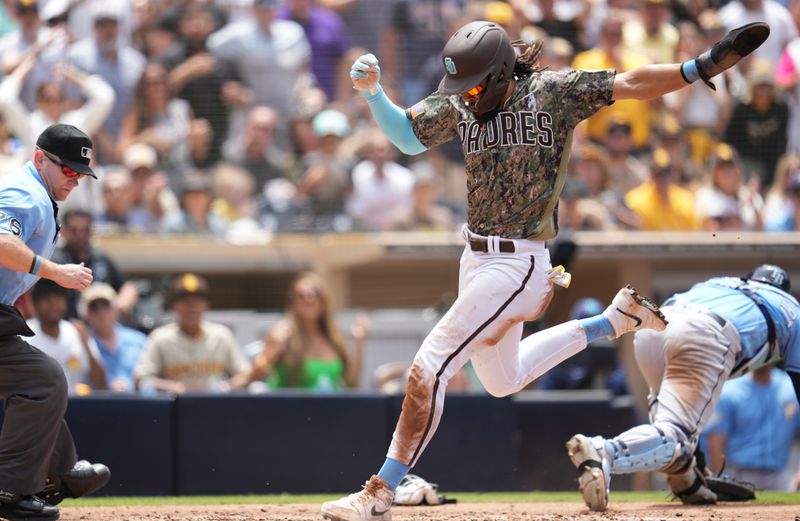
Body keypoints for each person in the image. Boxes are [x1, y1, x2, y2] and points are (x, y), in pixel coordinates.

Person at [319, 17, 771, 521]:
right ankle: (612, 322)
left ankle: (380, 490)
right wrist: (375, 94)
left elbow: (631, 83)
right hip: (476, 258)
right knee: (501, 380)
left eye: (470, 86)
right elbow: (406, 137)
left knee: (430, 366)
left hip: (520, 264)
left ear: (498, 74)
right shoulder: (461, 100)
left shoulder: (552, 92)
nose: (463, 97)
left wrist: (698, 66)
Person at [566, 264, 800, 511]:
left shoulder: (722, 282)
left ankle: (687, 480)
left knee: (674, 430)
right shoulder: (791, 308)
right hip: (704, 334)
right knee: (677, 436)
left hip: (654, 328)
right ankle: (606, 451)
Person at [0, 123, 110, 521]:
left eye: (81, 174)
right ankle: (10, 490)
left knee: (35, 381)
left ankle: (58, 471)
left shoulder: (40, 194)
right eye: (68, 170)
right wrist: (55, 272)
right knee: (42, 380)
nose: (76, 180)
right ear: (39, 159)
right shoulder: (24, 193)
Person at [134, 273, 251, 394]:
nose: (191, 307)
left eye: (197, 301)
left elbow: (244, 375)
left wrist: (225, 387)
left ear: (207, 305)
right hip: (176, 406)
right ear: (174, 305)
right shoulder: (161, 337)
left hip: (215, 405)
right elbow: (141, 378)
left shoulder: (221, 335)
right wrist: (176, 387)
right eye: (185, 301)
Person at [250, 271, 368, 390]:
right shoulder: (282, 334)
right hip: (291, 407)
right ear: (294, 302)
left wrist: (359, 346)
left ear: (324, 301)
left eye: (315, 294)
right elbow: (254, 375)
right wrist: (274, 351)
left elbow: (351, 382)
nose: (308, 300)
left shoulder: (334, 339)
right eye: (301, 295)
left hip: (330, 407)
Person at [703, 365, 800, 491]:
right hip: (740, 473)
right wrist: (721, 478)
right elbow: (716, 440)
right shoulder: (731, 390)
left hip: (781, 474)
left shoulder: (790, 388)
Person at [26, 278, 108, 395]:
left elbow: (101, 384)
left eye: (58, 297)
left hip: (75, 407)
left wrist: (86, 345)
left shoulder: (76, 332)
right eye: (46, 298)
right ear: (35, 304)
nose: (53, 303)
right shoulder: (23, 336)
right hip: (36, 407)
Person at [80, 282, 147, 393]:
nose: (101, 312)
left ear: (116, 309)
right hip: (96, 405)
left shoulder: (138, 340)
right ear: (86, 313)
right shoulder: (80, 342)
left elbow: (150, 375)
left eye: (106, 305)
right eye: (94, 307)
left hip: (138, 404)